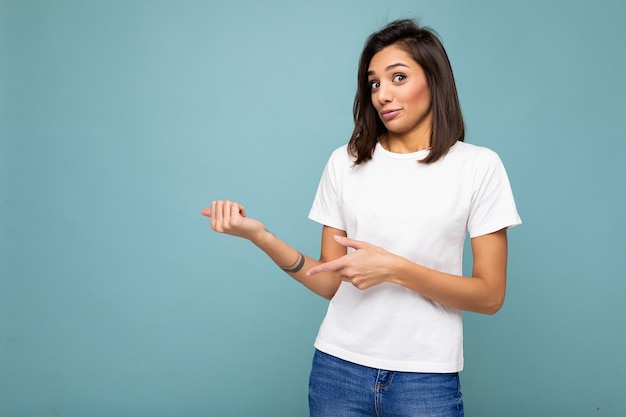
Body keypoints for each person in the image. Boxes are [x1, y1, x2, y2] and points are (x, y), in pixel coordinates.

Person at [202, 19, 521, 417]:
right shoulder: (346, 162)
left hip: (425, 378)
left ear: (434, 80)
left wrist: (394, 269)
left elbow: (490, 296)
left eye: (398, 78)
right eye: (374, 84)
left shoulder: (478, 167)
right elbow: (330, 284)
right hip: (337, 370)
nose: (382, 95)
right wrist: (260, 236)